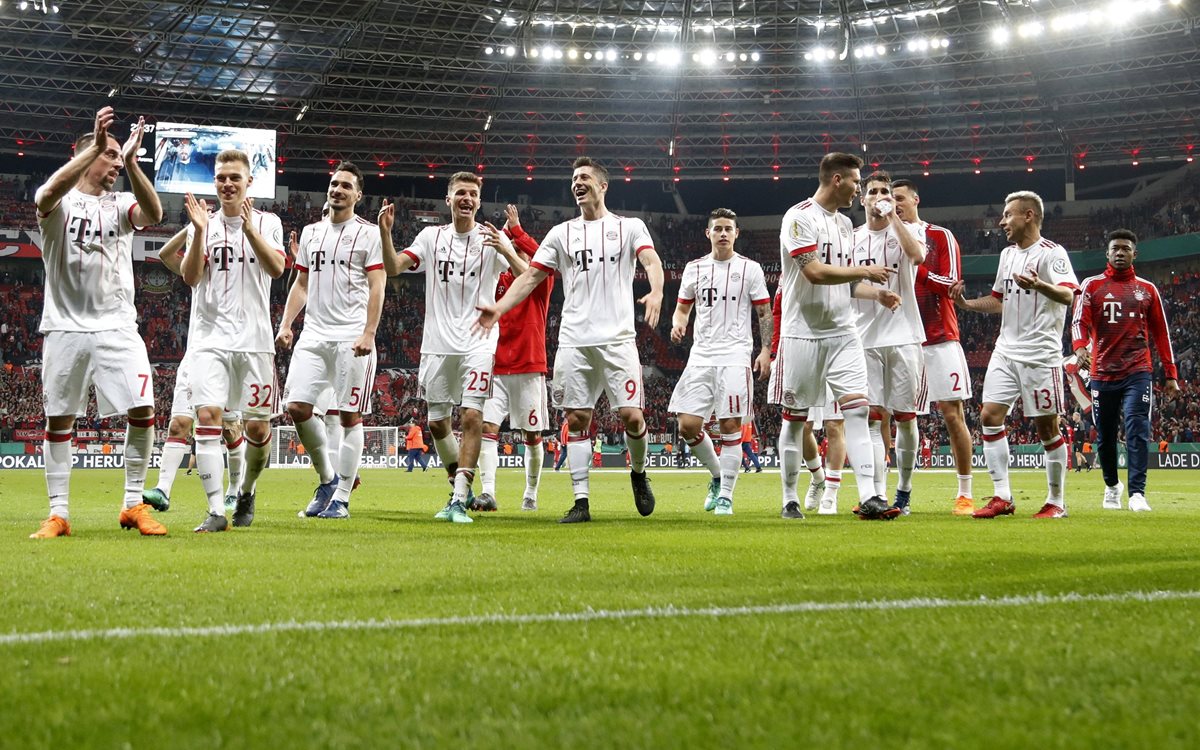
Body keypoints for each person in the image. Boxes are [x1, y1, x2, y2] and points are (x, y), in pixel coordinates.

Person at [475, 157, 665, 524]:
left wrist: (656, 291)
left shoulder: (629, 226)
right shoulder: (561, 233)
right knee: (577, 419)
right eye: (574, 178)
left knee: (632, 417)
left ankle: (638, 473)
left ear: (603, 185)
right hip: (575, 341)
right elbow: (530, 277)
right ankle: (581, 501)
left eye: (585, 178)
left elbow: (652, 261)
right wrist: (498, 309)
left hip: (618, 339)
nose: (577, 182)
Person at [30, 108, 167, 538]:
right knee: (59, 421)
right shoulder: (59, 205)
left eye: (117, 158)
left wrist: (129, 161)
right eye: (108, 155)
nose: (114, 163)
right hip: (65, 328)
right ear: (87, 155)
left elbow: (154, 213)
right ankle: (58, 514)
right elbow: (45, 194)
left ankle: (132, 505)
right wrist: (94, 146)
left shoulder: (120, 202)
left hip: (117, 326)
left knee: (144, 410)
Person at [379, 172, 526, 523]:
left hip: (479, 342)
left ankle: (459, 498)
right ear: (448, 200)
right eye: (461, 192)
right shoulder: (431, 237)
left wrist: (506, 248)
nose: (467, 198)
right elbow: (392, 267)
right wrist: (385, 233)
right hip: (437, 345)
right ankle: (460, 481)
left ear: (478, 200)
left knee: (472, 415)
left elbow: (526, 276)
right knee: (437, 424)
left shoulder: (492, 238)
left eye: (473, 194)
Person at [774, 152, 901, 521]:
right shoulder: (798, 217)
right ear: (836, 180)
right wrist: (862, 271)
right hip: (804, 333)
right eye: (855, 182)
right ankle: (789, 498)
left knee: (858, 411)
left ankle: (869, 497)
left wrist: (874, 292)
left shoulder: (845, 224)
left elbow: (845, 283)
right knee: (795, 419)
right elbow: (813, 272)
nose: (858, 190)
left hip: (844, 333)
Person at [950, 190, 1079, 519]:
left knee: (1047, 428)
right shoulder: (1007, 255)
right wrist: (966, 304)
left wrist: (1040, 286)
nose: (1002, 221)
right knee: (989, 417)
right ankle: (1002, 496)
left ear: (1029, 216)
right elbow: (998, 300)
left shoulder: (1053, 253)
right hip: (1005, 351)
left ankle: (1056, 502)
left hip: (1040, 354)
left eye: (1008, 214)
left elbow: (1067, 295)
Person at [181, 149, 286, 532]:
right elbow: (190, 278)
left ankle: (247, 489)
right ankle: (214, 511)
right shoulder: (202, 224)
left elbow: (277, 268)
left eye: (234, 178)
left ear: (248, 183)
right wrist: (196, 233)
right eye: (221, 178)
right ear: (215, 183)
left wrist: (250, 230)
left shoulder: (268, 222)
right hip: (208, 339)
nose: (227, 184)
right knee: (208, 418)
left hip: (255, 342)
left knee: (258, 430)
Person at [276, 162, 384, 520]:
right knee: (296, 407)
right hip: (314, 334)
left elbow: (377, 285)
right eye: (334, 184)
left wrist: (369, 331)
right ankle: (328, 478)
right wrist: (287, 323)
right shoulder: (310, 233)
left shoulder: (369, 234)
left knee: (350, 416)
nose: (337, 190)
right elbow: (301, 284)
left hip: (351, 337)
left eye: (345, 186)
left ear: (358, 195)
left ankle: (341, 499)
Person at [666, 208, 772, 515]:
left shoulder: (750, 269)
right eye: (718, 229)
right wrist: (678, 324)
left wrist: (766, 350)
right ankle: (716, 475)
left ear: (737, 233)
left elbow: (764, 313)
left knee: (729, 425)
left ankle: (726, 494)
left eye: (728, 229)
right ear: (708, 233)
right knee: (687, 425)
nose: (723, 233)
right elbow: (682, 309)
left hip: (736, 355)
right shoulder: (694, 269)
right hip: (701, 354)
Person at [1071, 229, 1179, 511]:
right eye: (1115, 249)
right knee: (1105, 436)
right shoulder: (1091, 286)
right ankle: (1111, 486)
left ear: (1134, 254)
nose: (1120, 253)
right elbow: (1078, 322)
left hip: (1137, 371)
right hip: (1102, 372)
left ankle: (1138, 494)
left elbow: (1161, 334)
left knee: (1137, 428)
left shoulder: (1147, 289)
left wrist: (1170, 373)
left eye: (1125, 249)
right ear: (1107, 253)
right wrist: (1081, 346)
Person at [143, 228, 246, 514]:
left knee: (229, 430)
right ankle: (163, 489)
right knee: (178, 424)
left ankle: (235, 491)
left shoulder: (241, 275)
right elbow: (165, 255)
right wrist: (191, 228)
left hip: (230, 354)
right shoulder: (196, 274)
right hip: (195, 356)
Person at [891, 178, 976, 515]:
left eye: (900, 198)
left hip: (940, 337)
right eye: (889, 198)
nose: (894, 204)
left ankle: (965, 493)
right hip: (899, 338)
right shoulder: (881, 239)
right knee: (898, 418)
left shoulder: (939, 236)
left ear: (915, 200)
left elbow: (951, 285)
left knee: (953, 415)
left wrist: (917, 268)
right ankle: (901, 493)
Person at [851, 171, 927, 515]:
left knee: (905, 418)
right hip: (864, 338)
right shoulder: (850, 239)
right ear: (862, 198)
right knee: (871, 416)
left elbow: (918, 257)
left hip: (904, 336)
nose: (880, 196)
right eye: (874, 192)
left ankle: (904, 490)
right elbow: (845, 286)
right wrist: (876, 293)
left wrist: (893, 215)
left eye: (887, 192)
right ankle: (876, 495)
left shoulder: (908, 230)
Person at [475, 204, 554, 512]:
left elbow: (533, 269)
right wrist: (504, 242)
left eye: (523, 254)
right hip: (495, 366)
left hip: (529, 366)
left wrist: (515, 235)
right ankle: (489, 492)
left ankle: (531, 493)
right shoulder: (496, 285)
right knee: (488, 428)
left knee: (531, 434)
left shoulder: (540, 284)